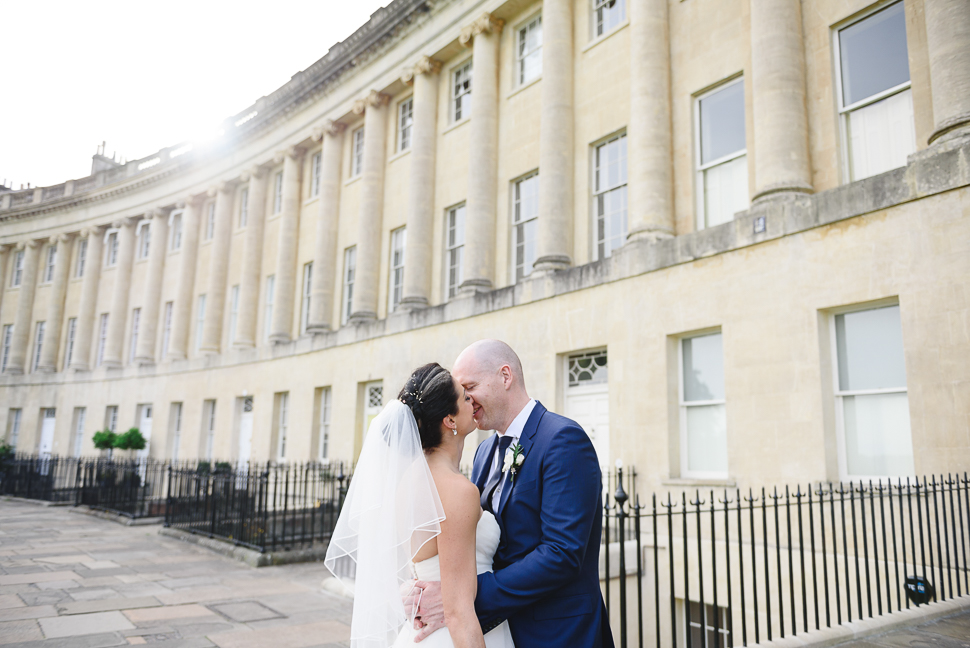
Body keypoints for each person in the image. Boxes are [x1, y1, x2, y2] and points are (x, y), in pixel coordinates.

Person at [409, 340, 615, 648]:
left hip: (557, 634)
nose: (465, 398)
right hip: (498, 631)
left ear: (505, 376)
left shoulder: (563, 439)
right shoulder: (483, 451)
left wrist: (465, 596)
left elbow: (562, 553)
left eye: (471, 387)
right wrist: (423, 588)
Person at [325, 362, 515, 648]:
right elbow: (458, 613)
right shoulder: (458, 490)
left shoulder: (407, 482)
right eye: (465, 397)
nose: (472, 399)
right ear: (449, 420)